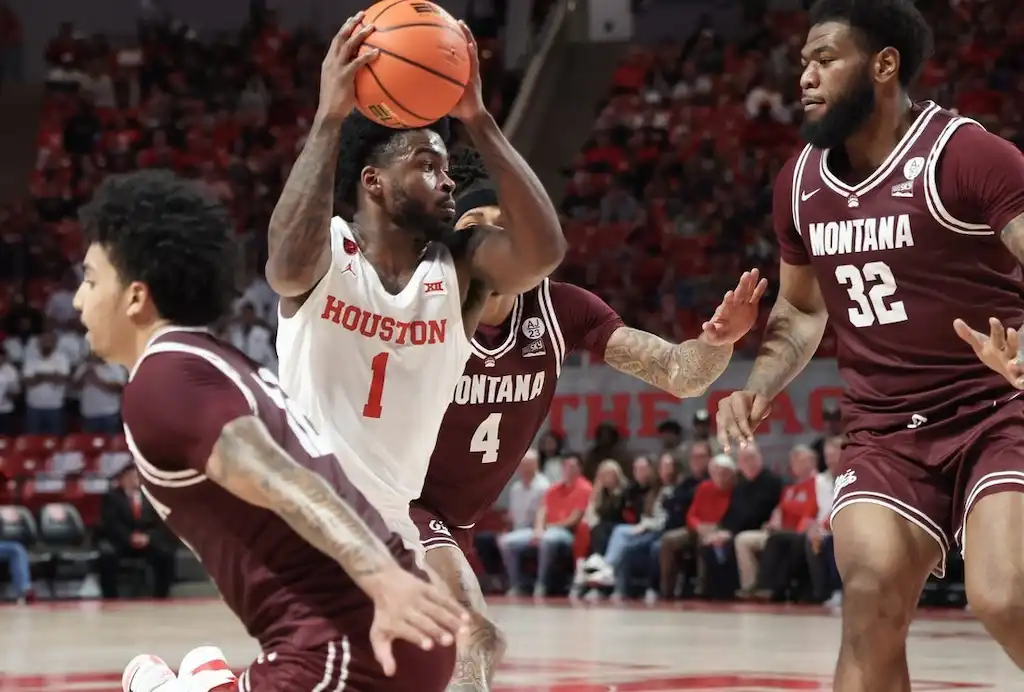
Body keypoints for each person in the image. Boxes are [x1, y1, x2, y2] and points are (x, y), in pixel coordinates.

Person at [714, 0, 1024, 687]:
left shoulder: (965, 152)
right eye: (802, 63)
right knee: (868, 600)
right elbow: (798, 311)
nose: (806, 76)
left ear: (884, 65)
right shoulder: (798, 181)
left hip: (997, 411)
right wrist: (759, 385)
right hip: (886, 430)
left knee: (1007, 597)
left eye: (825, 59)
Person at [72, 169, 468, 692]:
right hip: (384, 637)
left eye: (91, 279)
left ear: (136, 297)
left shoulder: (163, 381)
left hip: (349, 650)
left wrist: (382, 579)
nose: (79, 299)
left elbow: (284, 480)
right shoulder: (212, 363)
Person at [408, 148, 768, 690]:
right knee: (472, 636)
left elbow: (680, 373)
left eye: (501, 226)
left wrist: (718, 341)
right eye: (472, 224)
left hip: (455, 522)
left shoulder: (562, 309)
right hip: (394, 501)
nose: (487, 238)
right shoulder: (414, 304)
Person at [268, 14, 565, 554]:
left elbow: (543, 254)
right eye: (428, 165)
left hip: (395, 529)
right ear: (373, 181)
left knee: (451, 641)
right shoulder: (327, 249)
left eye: (447, 166)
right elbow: (285, 270)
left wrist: (480, 120)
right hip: (303, 517)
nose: (448, 179)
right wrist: (328, 120)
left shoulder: (459, 269)